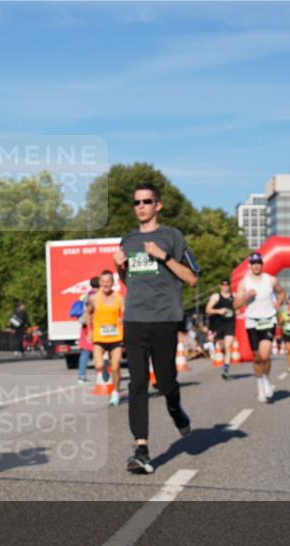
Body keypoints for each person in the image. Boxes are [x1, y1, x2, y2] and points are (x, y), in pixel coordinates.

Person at [113, 183, 198, 474]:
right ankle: (142, 450)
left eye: (147, 201)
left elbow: (192, 278)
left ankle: (175, 409)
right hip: (135, 319)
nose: (141, 206)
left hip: (164, 319)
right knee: (137, 383)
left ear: (157, 205)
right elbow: (130, 282)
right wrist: (120, 268)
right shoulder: (128, 240)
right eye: (136, 202)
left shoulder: (172, 237)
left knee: (165, 383)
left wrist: (164, 256)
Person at [234, 252, 285, 404]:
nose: (256, 265)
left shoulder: (270, 280)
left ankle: (267, 380)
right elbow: (236, 304)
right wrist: (246, 297)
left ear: (262, 265)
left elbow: (281, 292)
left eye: (258, 263)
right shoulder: (244, 283)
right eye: (253, 263)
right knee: (256, 358)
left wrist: (279, 303)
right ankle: (260, 385)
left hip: (268, 320)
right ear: (250, 265)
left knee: (265, 355)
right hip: (252, 322)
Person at [88, 270, 125, 405]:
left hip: (116, 337)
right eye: (103, 282)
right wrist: (89, 332)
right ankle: (104, 367)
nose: (105, 284)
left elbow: (125, 312)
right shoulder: (94, 298)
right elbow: (88, 313)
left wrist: (123, 320)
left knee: (115, 367)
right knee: (98, 364)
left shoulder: (119, 297)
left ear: (112, 282)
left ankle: (115, 392)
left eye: (108, 281)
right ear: (100, 283)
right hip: (99, 337)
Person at [205, 278, 236, 379]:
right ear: (220, 286)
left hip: (230, 324)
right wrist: (219, 311)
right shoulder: (216, 297)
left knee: (228, 346)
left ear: (229, 286)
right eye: (223, 285)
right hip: (218, 325)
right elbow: (207, 310)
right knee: (222, 347)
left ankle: (226, 370)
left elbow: (239, 307)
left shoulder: (234, 296)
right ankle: (224, 362)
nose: (225, 286)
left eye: (227, 285)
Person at [76, 276, 99, 384]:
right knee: (98, 351)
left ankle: (81, 376)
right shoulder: (96, 296)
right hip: (93, 326)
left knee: (85, 351)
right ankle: (101, 375)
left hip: (85, 326)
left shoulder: (86, 295)